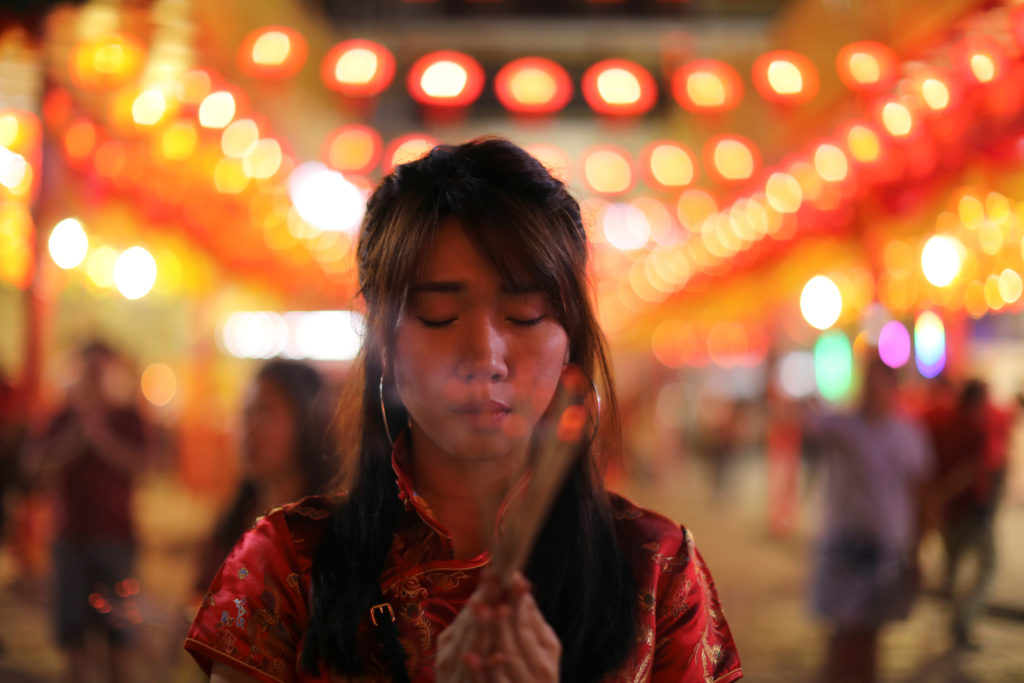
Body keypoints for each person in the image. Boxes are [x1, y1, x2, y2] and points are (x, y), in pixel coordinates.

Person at [185, 138, 742, 682]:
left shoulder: (657, 572)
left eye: (524, 315)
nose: (485, 357)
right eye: (438, 314)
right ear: (384, 343)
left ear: (571, 340)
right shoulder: (286, 568)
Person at [809, 357, 933, 683]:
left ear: (893, 388)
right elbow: (804, 424)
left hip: (885, 544)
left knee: (871, 635)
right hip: (843, 541)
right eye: (868, 383)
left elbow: (919, 493)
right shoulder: (841, 425)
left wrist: (917, 549)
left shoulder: (907, 434)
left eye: (880, 384)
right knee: (842, 634)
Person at [34, 341, 148, 683]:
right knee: (73, 636)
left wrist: (100, 438)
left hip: (116, 539)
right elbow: (37, 466)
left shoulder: (128, 417)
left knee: (119, 635)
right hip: (69, 538)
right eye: (88, 370)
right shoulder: (62, 416)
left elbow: (144, 465)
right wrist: (76, 436)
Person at [193, 359, 336, 595]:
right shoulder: (232, 521)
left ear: (308, 421)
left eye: (264, 411)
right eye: (245, 412)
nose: (248, 426)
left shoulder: (332, 530)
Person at [928, 379, 1013, 649]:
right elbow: (974, 468)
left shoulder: (942, 425)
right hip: (969, 511)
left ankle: (954, 620)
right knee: (987, 566)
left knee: (952, 570)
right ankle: (961, 621)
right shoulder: (973, 428)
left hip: (949, 512)